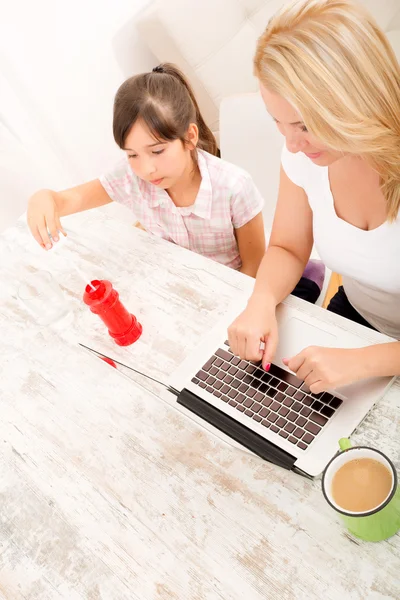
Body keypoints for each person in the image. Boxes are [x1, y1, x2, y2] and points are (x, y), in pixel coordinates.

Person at [228, 0, 400, 392]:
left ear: (355, 102)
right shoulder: (305, 156)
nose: (290, 144)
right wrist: (262, 300)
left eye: (304, 124)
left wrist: (362, 362)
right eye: (278, 122)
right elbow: (288, 247)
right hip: (357, 317)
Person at [27, 64, 265, 277]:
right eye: (132, 155)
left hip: (231, 292)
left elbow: (254, 268)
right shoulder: (131, 178)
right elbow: (68, 200)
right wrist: (45, 198)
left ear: (190, 137)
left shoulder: (234, 187)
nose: (147, 169)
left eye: (157, 151)